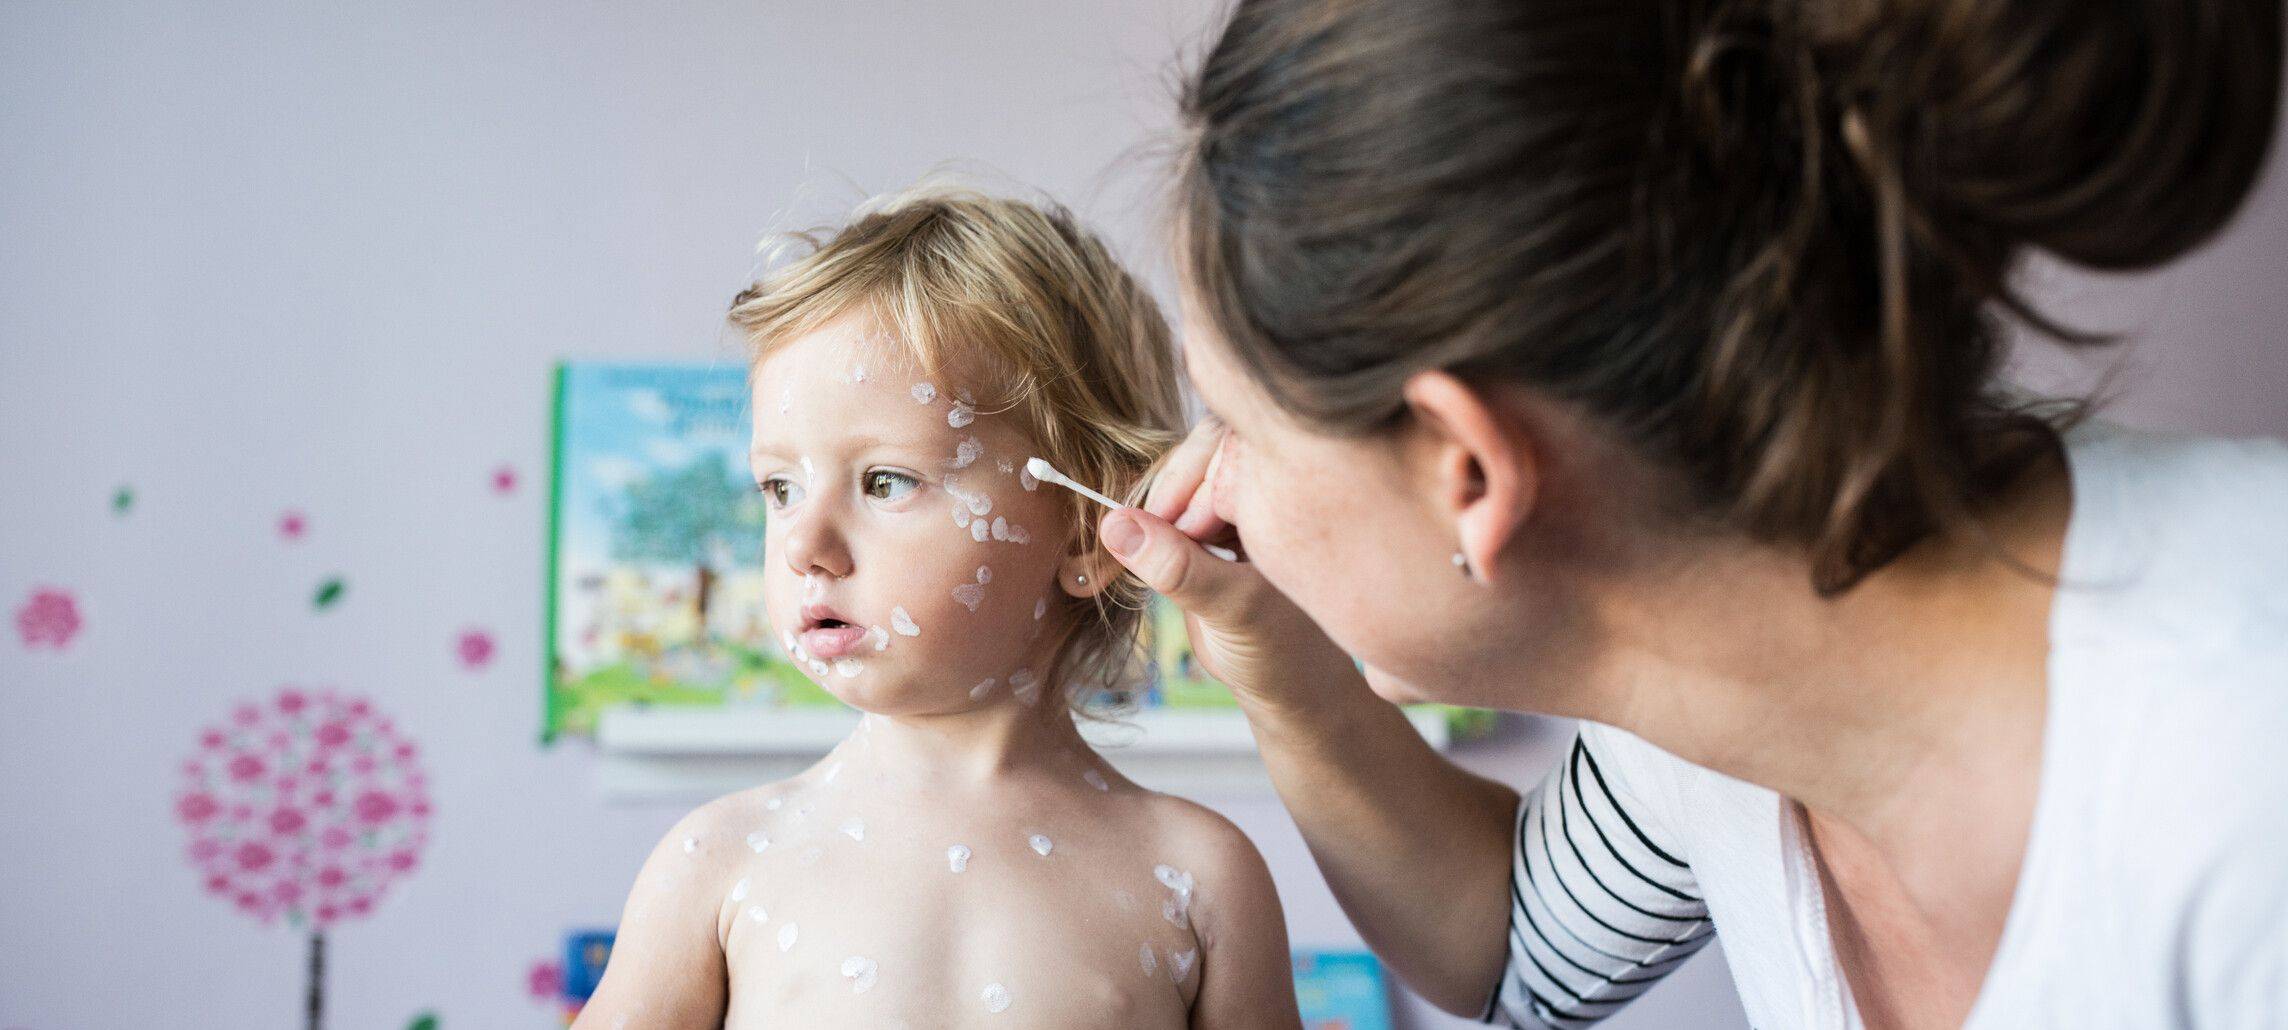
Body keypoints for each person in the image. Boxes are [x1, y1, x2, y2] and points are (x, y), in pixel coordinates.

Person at [1095, 0, 2288, 1027]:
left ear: (1470, 472)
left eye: (1236, 423)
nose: (1209, 478)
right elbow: (1512, 948)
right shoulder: (1709, 672)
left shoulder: (2239, 768)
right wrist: (1279, 663)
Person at [574, 186, 1302, 1029]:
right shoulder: (716, 867)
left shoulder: (1199, 878)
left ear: (1085, 532)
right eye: (780, 487)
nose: (805, 543)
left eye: (886, 481)